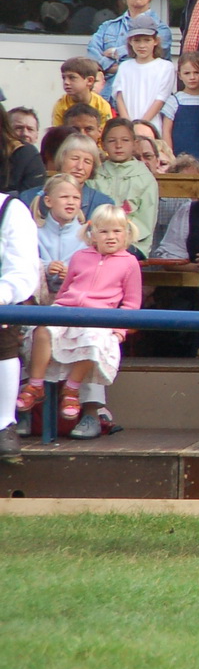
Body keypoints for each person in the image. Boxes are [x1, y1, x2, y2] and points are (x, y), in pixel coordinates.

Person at [14, 205, 141, 440]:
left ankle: (72, 389)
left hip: (99, 316)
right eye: (104, 232)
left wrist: (120, 331)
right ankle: (35, 384)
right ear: (92, 234)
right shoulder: (80, 256)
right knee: (43, 331)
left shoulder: (129, 262)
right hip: (67, 309)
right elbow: (65, 289)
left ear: (126, 233)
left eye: (117, 231)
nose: (111, 237)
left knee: (91, 342)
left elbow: (132, 303)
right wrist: (57, 308)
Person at [0, 180, 39, 461]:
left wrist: (2, 295)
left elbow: (22, 272)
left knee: (3, 336)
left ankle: (3, 424)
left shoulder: (10, 209)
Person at [88, 0, 174, 94]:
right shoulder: (108, 27)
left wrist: (114, 53)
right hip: (108, 100)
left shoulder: (161, 30)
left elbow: (147, 65)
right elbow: (91, 55)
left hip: (143, 100)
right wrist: (110, 65)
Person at [90, 119, 157, 254]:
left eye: (125, 140)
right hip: (97, 240)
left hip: (133, 244)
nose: (118, 145)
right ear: (103, 145)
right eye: (112, 141)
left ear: (134, 144)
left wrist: (120, 239)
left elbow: (146, 219)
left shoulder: (145, 178)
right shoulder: (96, 175)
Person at [19, 134, 114, 217]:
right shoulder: (28, 198)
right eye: (75, 158)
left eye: (87, 161)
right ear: (62, 158)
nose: (80, 166)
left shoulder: (102, 204)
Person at [111, 19, 177, 127]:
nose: (142, 45)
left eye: (147, 40)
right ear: (130, 42)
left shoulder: (165, 67)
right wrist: (128, 125)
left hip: (152, 127)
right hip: (128, 128)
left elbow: (161, 99)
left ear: (155, 41)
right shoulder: (124, 67)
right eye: (137, 40)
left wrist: (141, 124)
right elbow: (119, 97)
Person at [34, 174, 86, 299]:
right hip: (39, 302)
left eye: (76, 198)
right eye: (64, 197)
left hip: (75, 301)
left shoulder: (87, 236)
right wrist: (46, 267)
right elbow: (23, 262)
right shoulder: (34, 232)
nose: (71, 202)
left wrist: (73, 272)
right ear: (48, 201)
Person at [160, 54, 199, 162]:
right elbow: (166, 131)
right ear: (179, 75)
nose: (192, 77)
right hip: (180, 157)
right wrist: (170, 157)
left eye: (196, 72)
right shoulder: (174, 100)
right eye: (187, 73)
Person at [51, 57, 113, 127]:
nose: (66, 82)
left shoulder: (102, 105)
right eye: (64, 78)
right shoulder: (61, 105)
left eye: (72, 77)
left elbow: (104, 134)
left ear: (90, 81)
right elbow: (58, 134)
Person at [0, 106, 45, 195]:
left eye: (30, 129)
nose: (25, 134)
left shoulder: (30, 156)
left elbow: (29, 198)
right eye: (18, 128)